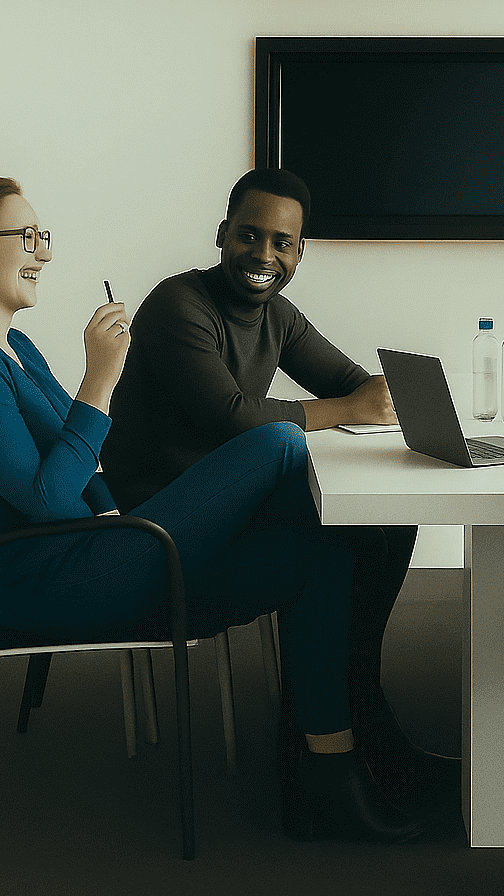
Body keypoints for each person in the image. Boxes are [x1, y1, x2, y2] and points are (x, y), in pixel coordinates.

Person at [0, 176, 422, 843]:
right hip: (47, 583)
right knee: (274, 442)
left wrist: (107, 503)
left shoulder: (14, 347)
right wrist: (100, 380)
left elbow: (82, 462)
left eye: (44, 237)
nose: (45, 252)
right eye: (27, 237)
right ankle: (355, 718)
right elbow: (47, 496)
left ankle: (329, 773)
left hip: (98, 551)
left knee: (317, 557)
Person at [97, 167, 443, 807]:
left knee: (389, 520)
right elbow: (231, 417)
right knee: (327, 549)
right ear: (222, 234)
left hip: (232, 511)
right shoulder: (178, 307)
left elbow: (348, 382)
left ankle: (358, 702)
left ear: (299, 253)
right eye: (249, 236)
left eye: (281, 243)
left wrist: (388, 400)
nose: (263, 255)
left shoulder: (276, 314)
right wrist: (348, 409)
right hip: (168, 526)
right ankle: (325, 754)